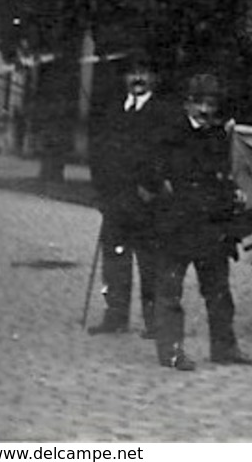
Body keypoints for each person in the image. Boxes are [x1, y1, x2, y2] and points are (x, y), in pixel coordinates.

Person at [147, 73, 252, 370]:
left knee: (219, 292)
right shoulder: (169, 134)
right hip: (177, 227)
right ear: (188, 105)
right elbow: (149, 174)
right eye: (200, 104)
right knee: (170, 292)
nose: (206, 111)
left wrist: (232, 193)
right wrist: (163, 189)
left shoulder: (218, 135)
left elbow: (221, 175)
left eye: (211, 104)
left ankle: (224, 347)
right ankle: (171, 350)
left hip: (211, 227)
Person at [87, 56, 164, 338]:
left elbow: (166, 157)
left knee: (149, 263)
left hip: (146, 203)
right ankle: (115, 316)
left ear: (153, 77)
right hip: (115, 201)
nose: (138, 79)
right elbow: (100, 154)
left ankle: (155, 321)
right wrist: (101, 191)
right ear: (125, 79)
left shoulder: (162, 113)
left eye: (143, 72)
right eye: (132, 73)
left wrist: (152, 188)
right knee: (115, 261)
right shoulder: (114, 111)